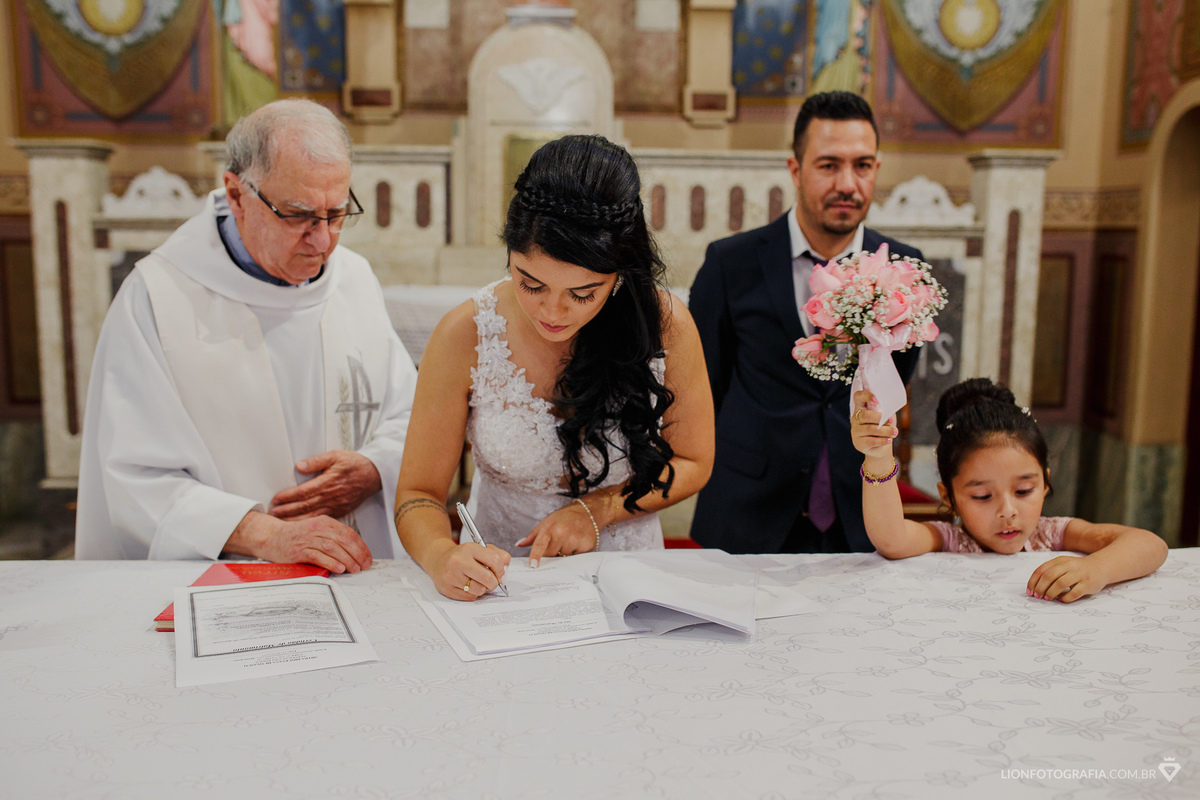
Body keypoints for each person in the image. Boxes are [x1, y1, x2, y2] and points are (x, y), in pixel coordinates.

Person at [75, 99, 418, 572]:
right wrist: (264, 534)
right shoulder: (158, 299)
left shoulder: (353, 279)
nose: (323, 241)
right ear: (236, 195)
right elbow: (133, 477)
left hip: (357, 576)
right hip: (225, 584)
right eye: (298, 215)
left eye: (336, 213)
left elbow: (407, 413)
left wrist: (375, 468)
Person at [395, 134, 715, 601]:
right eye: (531, 283)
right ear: (510, 253)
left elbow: (694, 461)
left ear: (620, 274)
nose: (553, 312)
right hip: (498, 586)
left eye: (582, 294)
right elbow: (417, 493)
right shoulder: (465, 334)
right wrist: (441, 554)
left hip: (626, 579)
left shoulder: (664, 325)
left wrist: (599, 510)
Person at [688, 91, 924, 554]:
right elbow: (703, 387)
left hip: (860, 509)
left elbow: (899, 376)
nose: (848, 184)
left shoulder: (904, 268)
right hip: (747, 509)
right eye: (829, 165)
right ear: (795, 170)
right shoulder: (729, 263)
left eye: (863, 165)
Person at [851, 379, 1168, 602]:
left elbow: (1151, 545)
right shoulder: (951, 540)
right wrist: (878, 457)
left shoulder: (1052, 534)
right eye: (982, 497)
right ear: (949, 497)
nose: (1007, 511)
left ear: (1044, 482)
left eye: (1024, 490)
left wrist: (1097, 569)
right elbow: (891, 540)